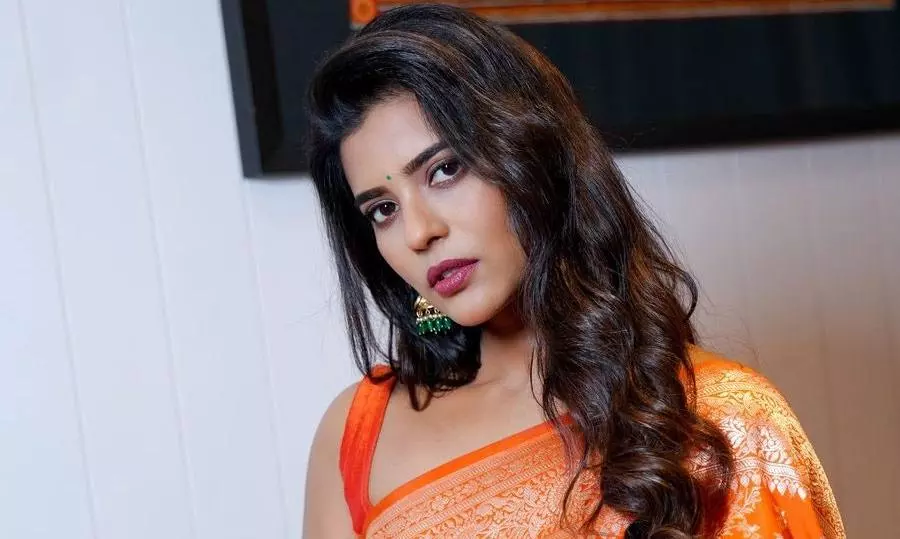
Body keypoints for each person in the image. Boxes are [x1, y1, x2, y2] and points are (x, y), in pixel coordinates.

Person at [302, 4, 844, 538]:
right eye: (383, 210)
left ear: (535, 158)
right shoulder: (360, 434)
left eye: (445, 170)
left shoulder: (722, 421)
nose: (418, 233)